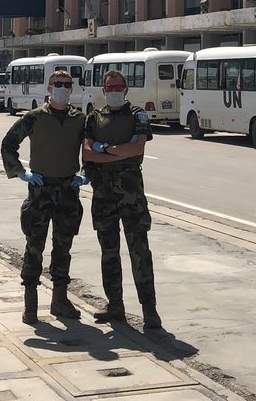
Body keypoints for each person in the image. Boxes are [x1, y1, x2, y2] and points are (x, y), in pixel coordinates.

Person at [1, 67, 88, 325]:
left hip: (68, 189)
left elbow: (91, 148)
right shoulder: (35, 117)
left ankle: (59, 300)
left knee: (64, 247)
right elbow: (9, 143)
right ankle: (30, 304)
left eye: (66, 84)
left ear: (71, 89)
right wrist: (20, 172)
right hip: (40, 189)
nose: (62, 87)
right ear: (49, 89)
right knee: (34, 247)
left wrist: (86, 173)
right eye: (57, 83)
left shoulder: (79, 119)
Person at [82, 69, 161, 329]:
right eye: (109, 87)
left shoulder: (138, 115)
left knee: (140, 252)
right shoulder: (95, 117)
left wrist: (104, 149)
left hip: (131, 197)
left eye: (118, 87)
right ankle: (115, 305)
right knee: (109, 253)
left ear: (126, 90)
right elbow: (87, 154)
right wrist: (118, 153)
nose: (114, 91)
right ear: (104, 90)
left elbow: (137, 148)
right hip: (103, 196)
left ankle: (149, 310)